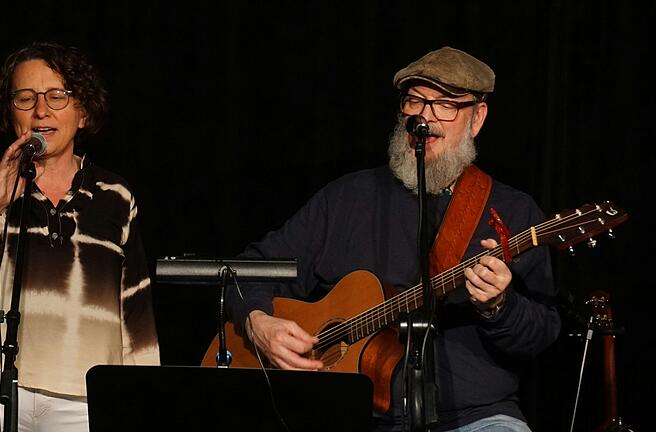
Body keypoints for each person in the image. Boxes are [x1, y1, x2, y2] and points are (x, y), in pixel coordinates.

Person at [224, 46, 561, 431]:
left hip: (474, 417)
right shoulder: (348, 197)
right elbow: (248, 269)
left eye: (445, 105)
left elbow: (541, 334)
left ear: (477, 118)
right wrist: (257, 321)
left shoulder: (513, 212)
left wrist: (499, 306)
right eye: (415, 100)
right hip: (346, 413)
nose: (424, 117)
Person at [0, 41, 160, 431]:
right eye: (25, 98)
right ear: (10, 113)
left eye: (57, 96)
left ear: (83, 112)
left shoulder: (115, 195)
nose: (41, 110)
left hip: (83, 396)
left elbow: (135, 312)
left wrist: (142, 396)